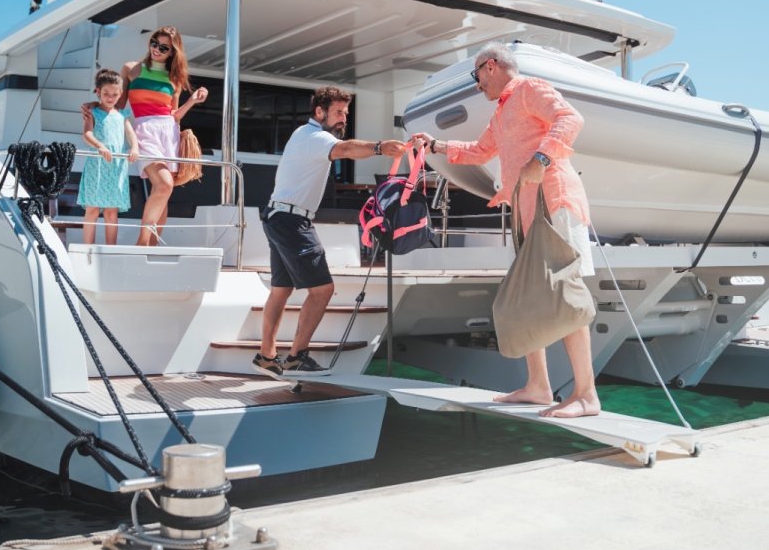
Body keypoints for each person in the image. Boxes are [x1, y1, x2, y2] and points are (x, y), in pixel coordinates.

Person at [413, 42, 600, 419]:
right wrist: (435, 144)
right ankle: (538, 386)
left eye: (476, 76)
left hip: (555, 203)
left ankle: (586, 395)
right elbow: (481, 151)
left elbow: (570, 118)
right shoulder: (501, 112)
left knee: (563, 295)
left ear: (492, 66)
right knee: (531, 296)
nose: (477, 85)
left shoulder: (530, 89)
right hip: (526, 213)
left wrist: (542, 158)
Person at [255, 86, 408, 375]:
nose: (343, 118)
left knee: (281, 290)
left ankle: (266, 355)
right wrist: (380, 147)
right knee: (323, 290)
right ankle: (297, 356)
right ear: (319, 112)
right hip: (291, 221)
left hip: (277, 216)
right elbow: (347, 148)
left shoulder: (303, 135)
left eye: (346, 114)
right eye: (338, 113)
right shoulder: (315, 137)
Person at [119, 26, 208, 246]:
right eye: (154, 43)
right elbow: (119, 105)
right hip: (143, 130)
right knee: (164, 185)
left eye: (163, 47)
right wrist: (96, 107)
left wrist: (192, 101)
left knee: (163, 194)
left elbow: (174, 116)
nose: (157, 49)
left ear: (172, 52)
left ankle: (152, 247)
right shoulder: (131, 69)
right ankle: (142, 242)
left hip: (168, 133)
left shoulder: (174, 79)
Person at [78, 69, 139, 244]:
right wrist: (100, 146)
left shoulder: (122, 114)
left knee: (111, 211)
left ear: (120, 94)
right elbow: (87, 134)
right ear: (98, 92)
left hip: (116, 166)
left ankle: (110, 248)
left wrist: (134, 147)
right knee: (92, 209)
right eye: (106, 93)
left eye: (114, 94)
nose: (110, 97)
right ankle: (87, 247)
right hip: (97, 165)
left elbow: (130, 134)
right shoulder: (93, 112)